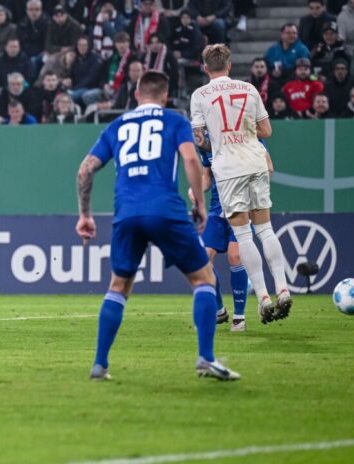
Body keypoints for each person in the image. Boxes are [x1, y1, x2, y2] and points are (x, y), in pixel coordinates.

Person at [76, 70, 239, 382]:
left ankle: (99, 364)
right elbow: (191, 160)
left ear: (136, 94)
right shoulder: (175, 121)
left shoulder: (116, 125)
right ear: (165, 96)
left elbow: (85, 170)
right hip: (165, 209)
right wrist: (200, 205)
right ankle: (205, 358)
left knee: (118, 286)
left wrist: (85, 215)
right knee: (203, 277)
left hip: (126, 213)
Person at [190, 44, 292, 324]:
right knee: (266, 229)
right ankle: (282, 289)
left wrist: (218, 137)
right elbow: (267, 131)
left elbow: (201, 139)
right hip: (255, 161)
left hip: (229, 168)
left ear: (205, 67)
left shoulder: (200, 95)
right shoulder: (249, 89)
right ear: (230, 65)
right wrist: (243, 131)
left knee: (244, 236)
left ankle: (263, 298)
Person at [189, 138, 274, 332]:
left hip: (240, 208)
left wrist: (255, 193)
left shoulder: (247, 136)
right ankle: (219, 310)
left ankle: (239, 316)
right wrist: (197, 189)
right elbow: (207, 177)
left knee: (235, 256)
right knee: (202, 262)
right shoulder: (206, 143)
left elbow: (268, 167)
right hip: (216, 211)